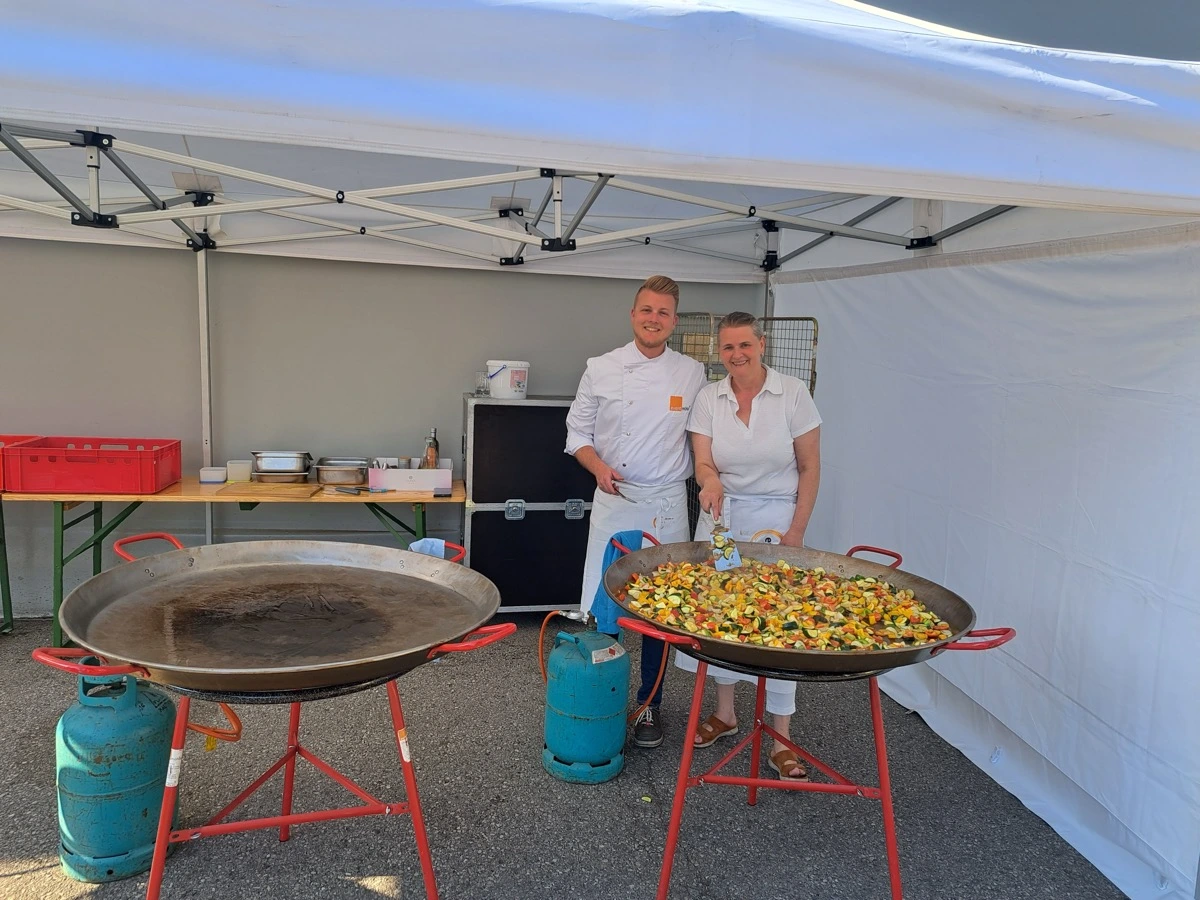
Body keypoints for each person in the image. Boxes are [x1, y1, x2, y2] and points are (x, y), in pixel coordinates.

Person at [674, 310, 822, 780]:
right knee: (720, 617)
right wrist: (710, 481)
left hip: (776, 521)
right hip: (722, 518)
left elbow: (810, 467)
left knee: (777, 623)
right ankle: (726, 713)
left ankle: (781, 737)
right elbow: (702, 461)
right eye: (728, 347)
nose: (737, 354)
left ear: (762, 344)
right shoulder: (709, 397)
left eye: (744, 345)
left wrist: (796, 532)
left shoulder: (792, 393)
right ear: (719, 352)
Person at [565, 274, 708, 749]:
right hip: (615, 501)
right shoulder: (601, 367)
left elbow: (704, 436)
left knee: (659, 612)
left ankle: (650, 706)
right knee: (607, 607)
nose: (653, 319)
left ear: (674, 321)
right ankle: (602, 701)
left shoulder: (692, 373)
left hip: (666, 505)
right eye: (646, 310)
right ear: (633, 314)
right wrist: (598, 467)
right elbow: (577, 434)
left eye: (663, 312)